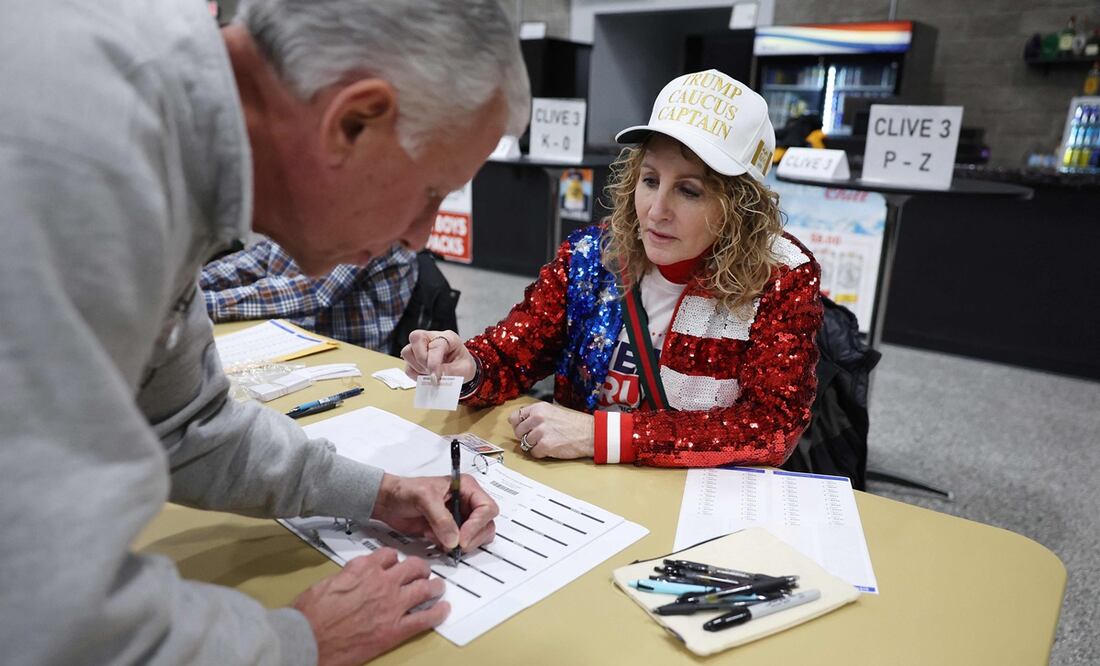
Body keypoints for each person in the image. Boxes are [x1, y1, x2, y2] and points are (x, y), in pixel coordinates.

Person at [0, 1, 529, 665]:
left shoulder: (163, 120)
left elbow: (184, 424)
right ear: (353, 121)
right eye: (431, 190)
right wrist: (292, 642)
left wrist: (379, 493)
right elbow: (43, 615)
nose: (421, 237)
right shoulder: (87, 149)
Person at [404, 69, 822, 469]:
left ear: (740, 207)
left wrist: (602, 435)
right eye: (651, 179)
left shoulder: (780, 277)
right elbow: (517, 351)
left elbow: (772, 426)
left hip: (692, 506)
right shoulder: (592, 254)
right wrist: (471, 365)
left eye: (689, 190)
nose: (656, 212)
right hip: (583, 492)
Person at [201, 239, 418, 351]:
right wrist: (183, 287)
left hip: (348, 363)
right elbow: (250, 262)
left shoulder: (377, 228)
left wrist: (197, 303)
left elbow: (311, 292)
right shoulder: (312, 215)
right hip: (290, 344)